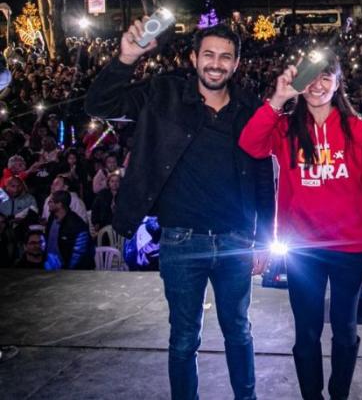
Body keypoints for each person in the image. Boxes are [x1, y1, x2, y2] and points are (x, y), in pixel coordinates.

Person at [85, 23, 275, 400]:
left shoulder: (250, 107)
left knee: (239, 331)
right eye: (208, 55)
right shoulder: (163, 93)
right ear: (194, 58)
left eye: (225, 57)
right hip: (181, 240)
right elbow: (99, 105)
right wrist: (126, 58)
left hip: (236, 240)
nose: (216, 65)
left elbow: (262, 176)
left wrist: (265, 239)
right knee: (184, 338)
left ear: (236, 64)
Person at [239, 48, 362, 400]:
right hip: (303, 249)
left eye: (326, 76)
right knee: (306, 332)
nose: (319, 85)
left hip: (350, 248)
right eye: (311, 77)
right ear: (300, 82)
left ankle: (339, 393)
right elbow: (250, 144)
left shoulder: (357, 130)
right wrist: (278, 98)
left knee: (345, 329)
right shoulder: (286, 128)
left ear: (338, 82)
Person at [42, 190, 93, 269]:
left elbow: (80, 252)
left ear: (59, 204)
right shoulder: (52, 218)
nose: (48, 203)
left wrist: (68, 270)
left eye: (51, 201)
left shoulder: (75, 224)